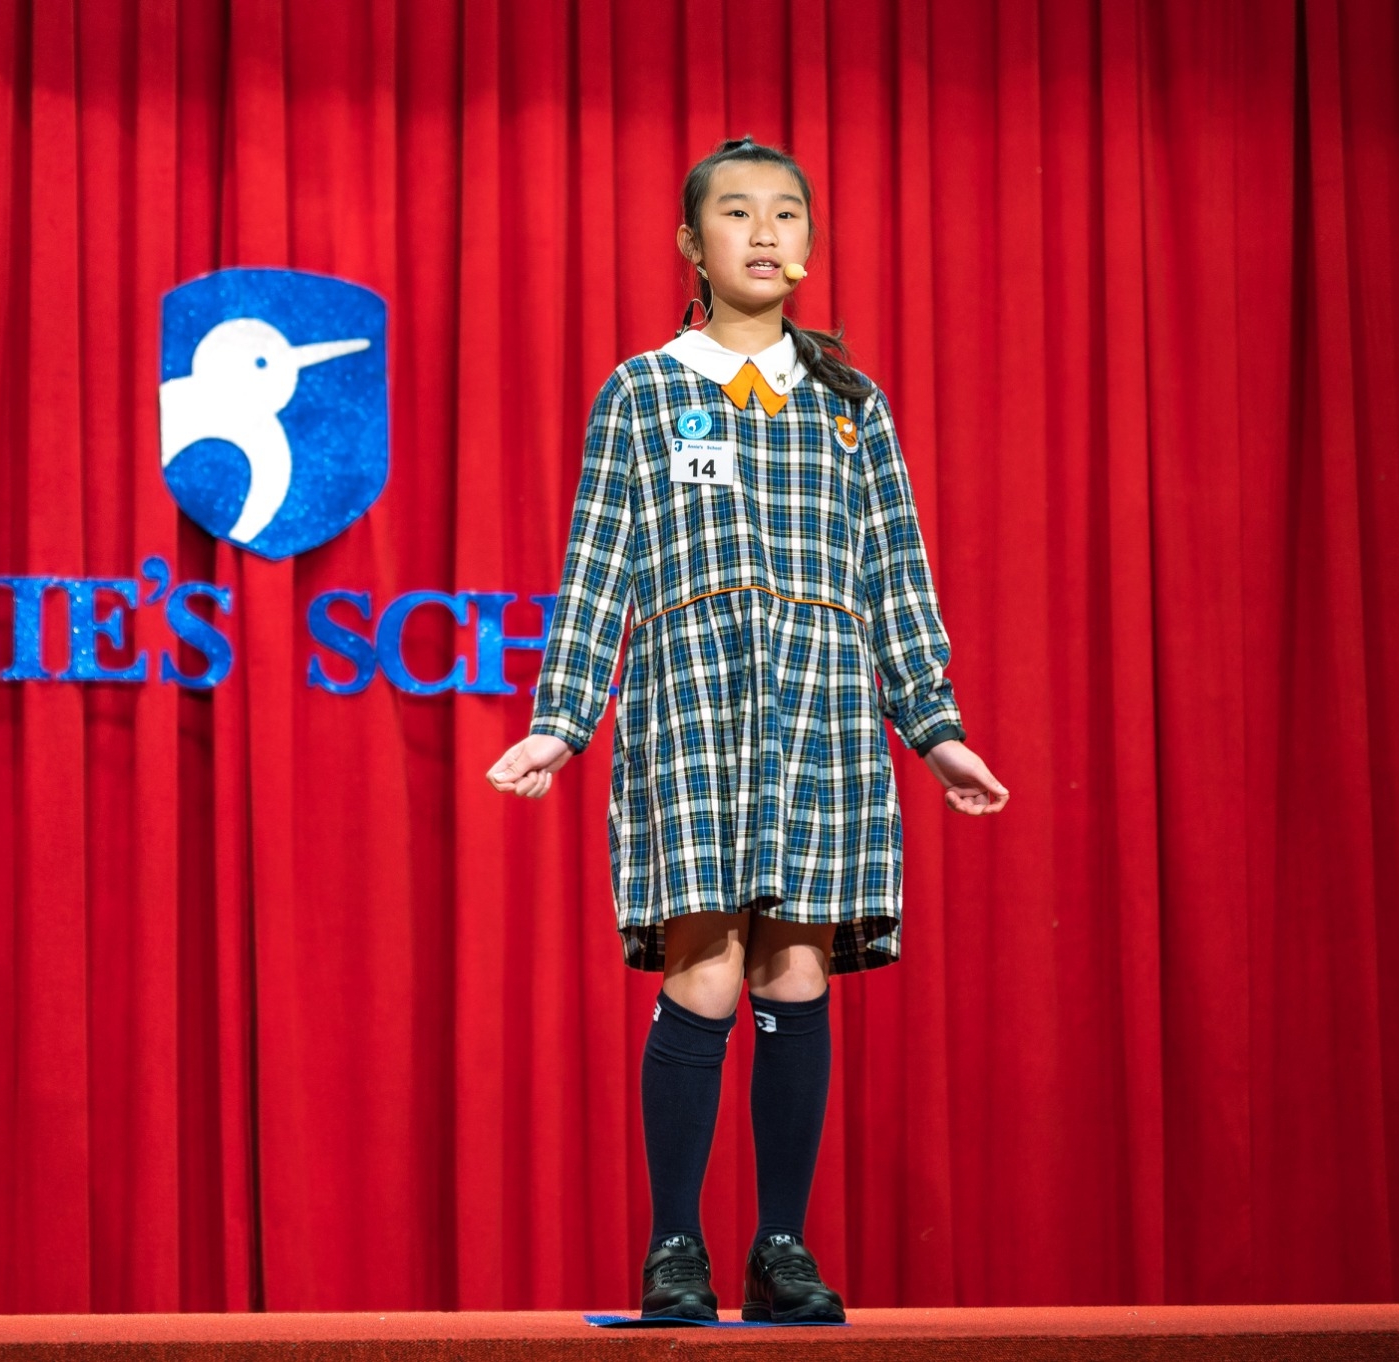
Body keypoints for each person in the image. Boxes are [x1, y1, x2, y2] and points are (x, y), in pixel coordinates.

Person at [485, 136, 1009, 1324]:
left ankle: (780, 1244)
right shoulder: (642, 390)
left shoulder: (849, 406)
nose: (763, 232)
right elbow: (596, 567)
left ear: (809, 245)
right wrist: (561, 721)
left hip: (822, 706)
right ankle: (674, 1246)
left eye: (785, 214)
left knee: (794, 964)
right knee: (707, 960)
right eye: (735, 212)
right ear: (691, 243)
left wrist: (932, 727)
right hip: (691, 702)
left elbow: (893, 574)